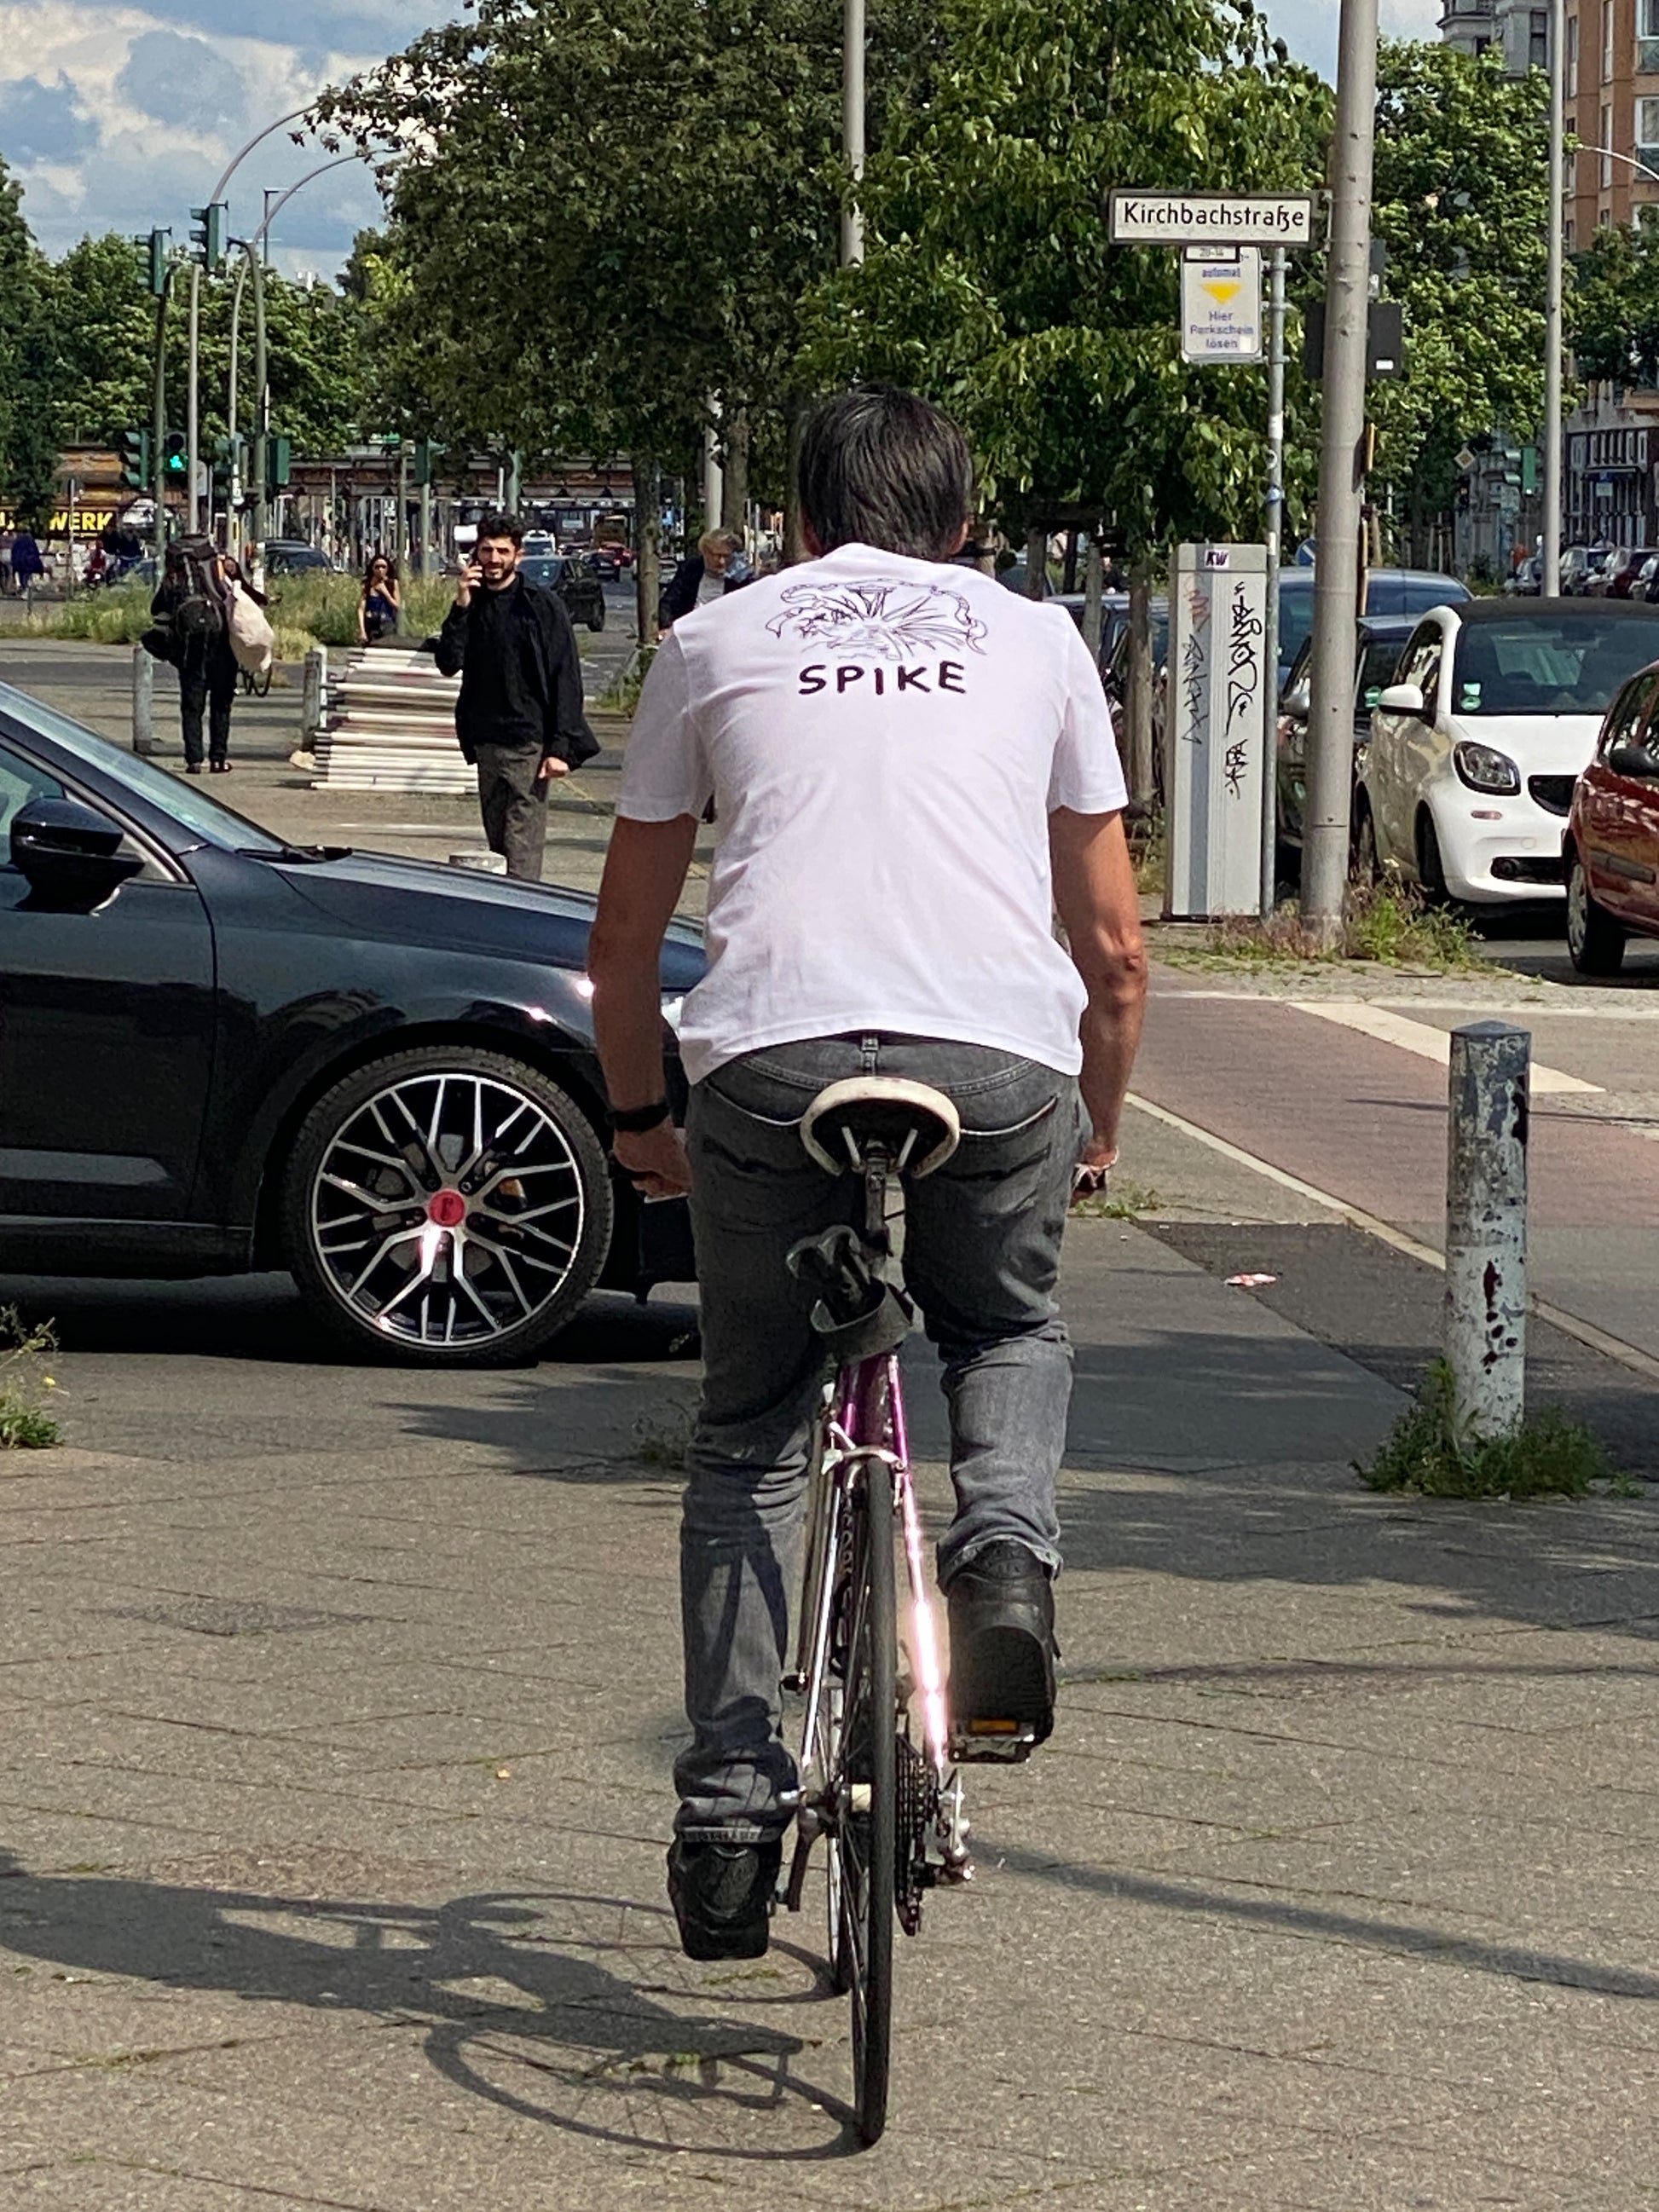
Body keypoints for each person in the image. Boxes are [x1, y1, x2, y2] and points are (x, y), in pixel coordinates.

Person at [588, 384, 1148, 1961]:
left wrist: (640, 1117)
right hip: (994, 1060)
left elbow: (622, 939)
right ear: (963, 524)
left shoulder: (710, 639)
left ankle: (725, 1814)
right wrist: (1095, 1127)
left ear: (796, 521)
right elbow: (1113, 949)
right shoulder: (1038, 640)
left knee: (749, 1430)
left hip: (770, 1059)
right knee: (1007, 1324)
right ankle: (1003, 1561)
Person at [434, 510, 598, 880]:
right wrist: (460, 605)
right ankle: (504, 904)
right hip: (485, 740)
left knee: (521, 844)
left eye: (502, 551)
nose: (493, 559)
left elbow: (566, 677)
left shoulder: (541, 606)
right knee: (496, 843)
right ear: (476, 553)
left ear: (518, 556)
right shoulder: (472, 604)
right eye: (487, 550)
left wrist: (560, 747)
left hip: (529, 741)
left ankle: (524, 903)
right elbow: (448, 662)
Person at [150, 546, 263, 775]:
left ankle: (194, 760)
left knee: (192, 707)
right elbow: (249, 599)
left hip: (190, 650)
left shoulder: (176, 575)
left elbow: (156, 608)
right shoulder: (223, 569)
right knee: (221, 705)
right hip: (223, 648)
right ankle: (218, 760)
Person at [658, 526, 753, 629]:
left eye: (726, 556)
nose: (721, 562)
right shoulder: (691, 569)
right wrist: (667, 626)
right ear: (705, 553)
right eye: (717, 555)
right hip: (690, 627)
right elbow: (670, 601)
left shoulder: (740, 576)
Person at [357, 554, 401, 644]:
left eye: (383, 567)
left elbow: (397, 606)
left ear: (388, 569)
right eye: (377, 567)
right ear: (372, 569)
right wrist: (362, 630)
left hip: (387, 624)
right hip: (371, 624)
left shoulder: (392, 583)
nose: (380, 570)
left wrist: (385, 592)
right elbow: (361, 609)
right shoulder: (367, 585)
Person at [10, 528, 43, 597]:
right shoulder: (30, 540)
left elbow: (14, 550)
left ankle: (24, 588)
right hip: (29, 560)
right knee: (27, 574)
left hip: (19, 560)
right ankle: (27, 590)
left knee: (22, 574)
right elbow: (35, 551)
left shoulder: (17, 540)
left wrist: (14, 560)